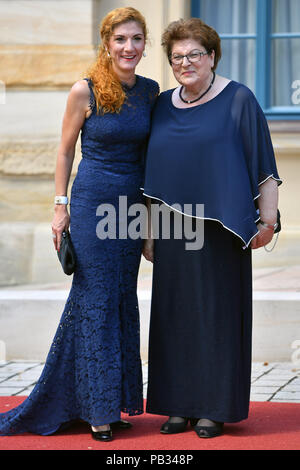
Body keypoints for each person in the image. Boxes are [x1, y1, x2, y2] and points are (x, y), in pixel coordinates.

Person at [0, 7, 159, 442]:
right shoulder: (84, 91)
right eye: (121, 39)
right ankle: (97, 410)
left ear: (145, 45)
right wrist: (59, 206)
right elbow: (65, 152)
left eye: (137, 39)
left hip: (131, 209)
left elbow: (152, 159)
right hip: (92, 205)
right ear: (106, 43)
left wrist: (149, 224)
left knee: (122, 299)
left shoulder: (151, 92)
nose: (129, 47)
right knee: (94, 300)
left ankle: (109, 400)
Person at [142, 18, 281, 438]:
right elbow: (150, 175)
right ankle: (176, 406)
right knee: (174, 316)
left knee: (216, 316)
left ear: (212, 56)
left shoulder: (239, 99)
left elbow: (264, 167)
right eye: (177, 57)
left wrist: (268, 222)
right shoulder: (161, 104)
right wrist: (148, 234)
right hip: (171, 229)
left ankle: (213, 408)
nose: (186, 63)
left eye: (194, 54)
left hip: (223, 231)